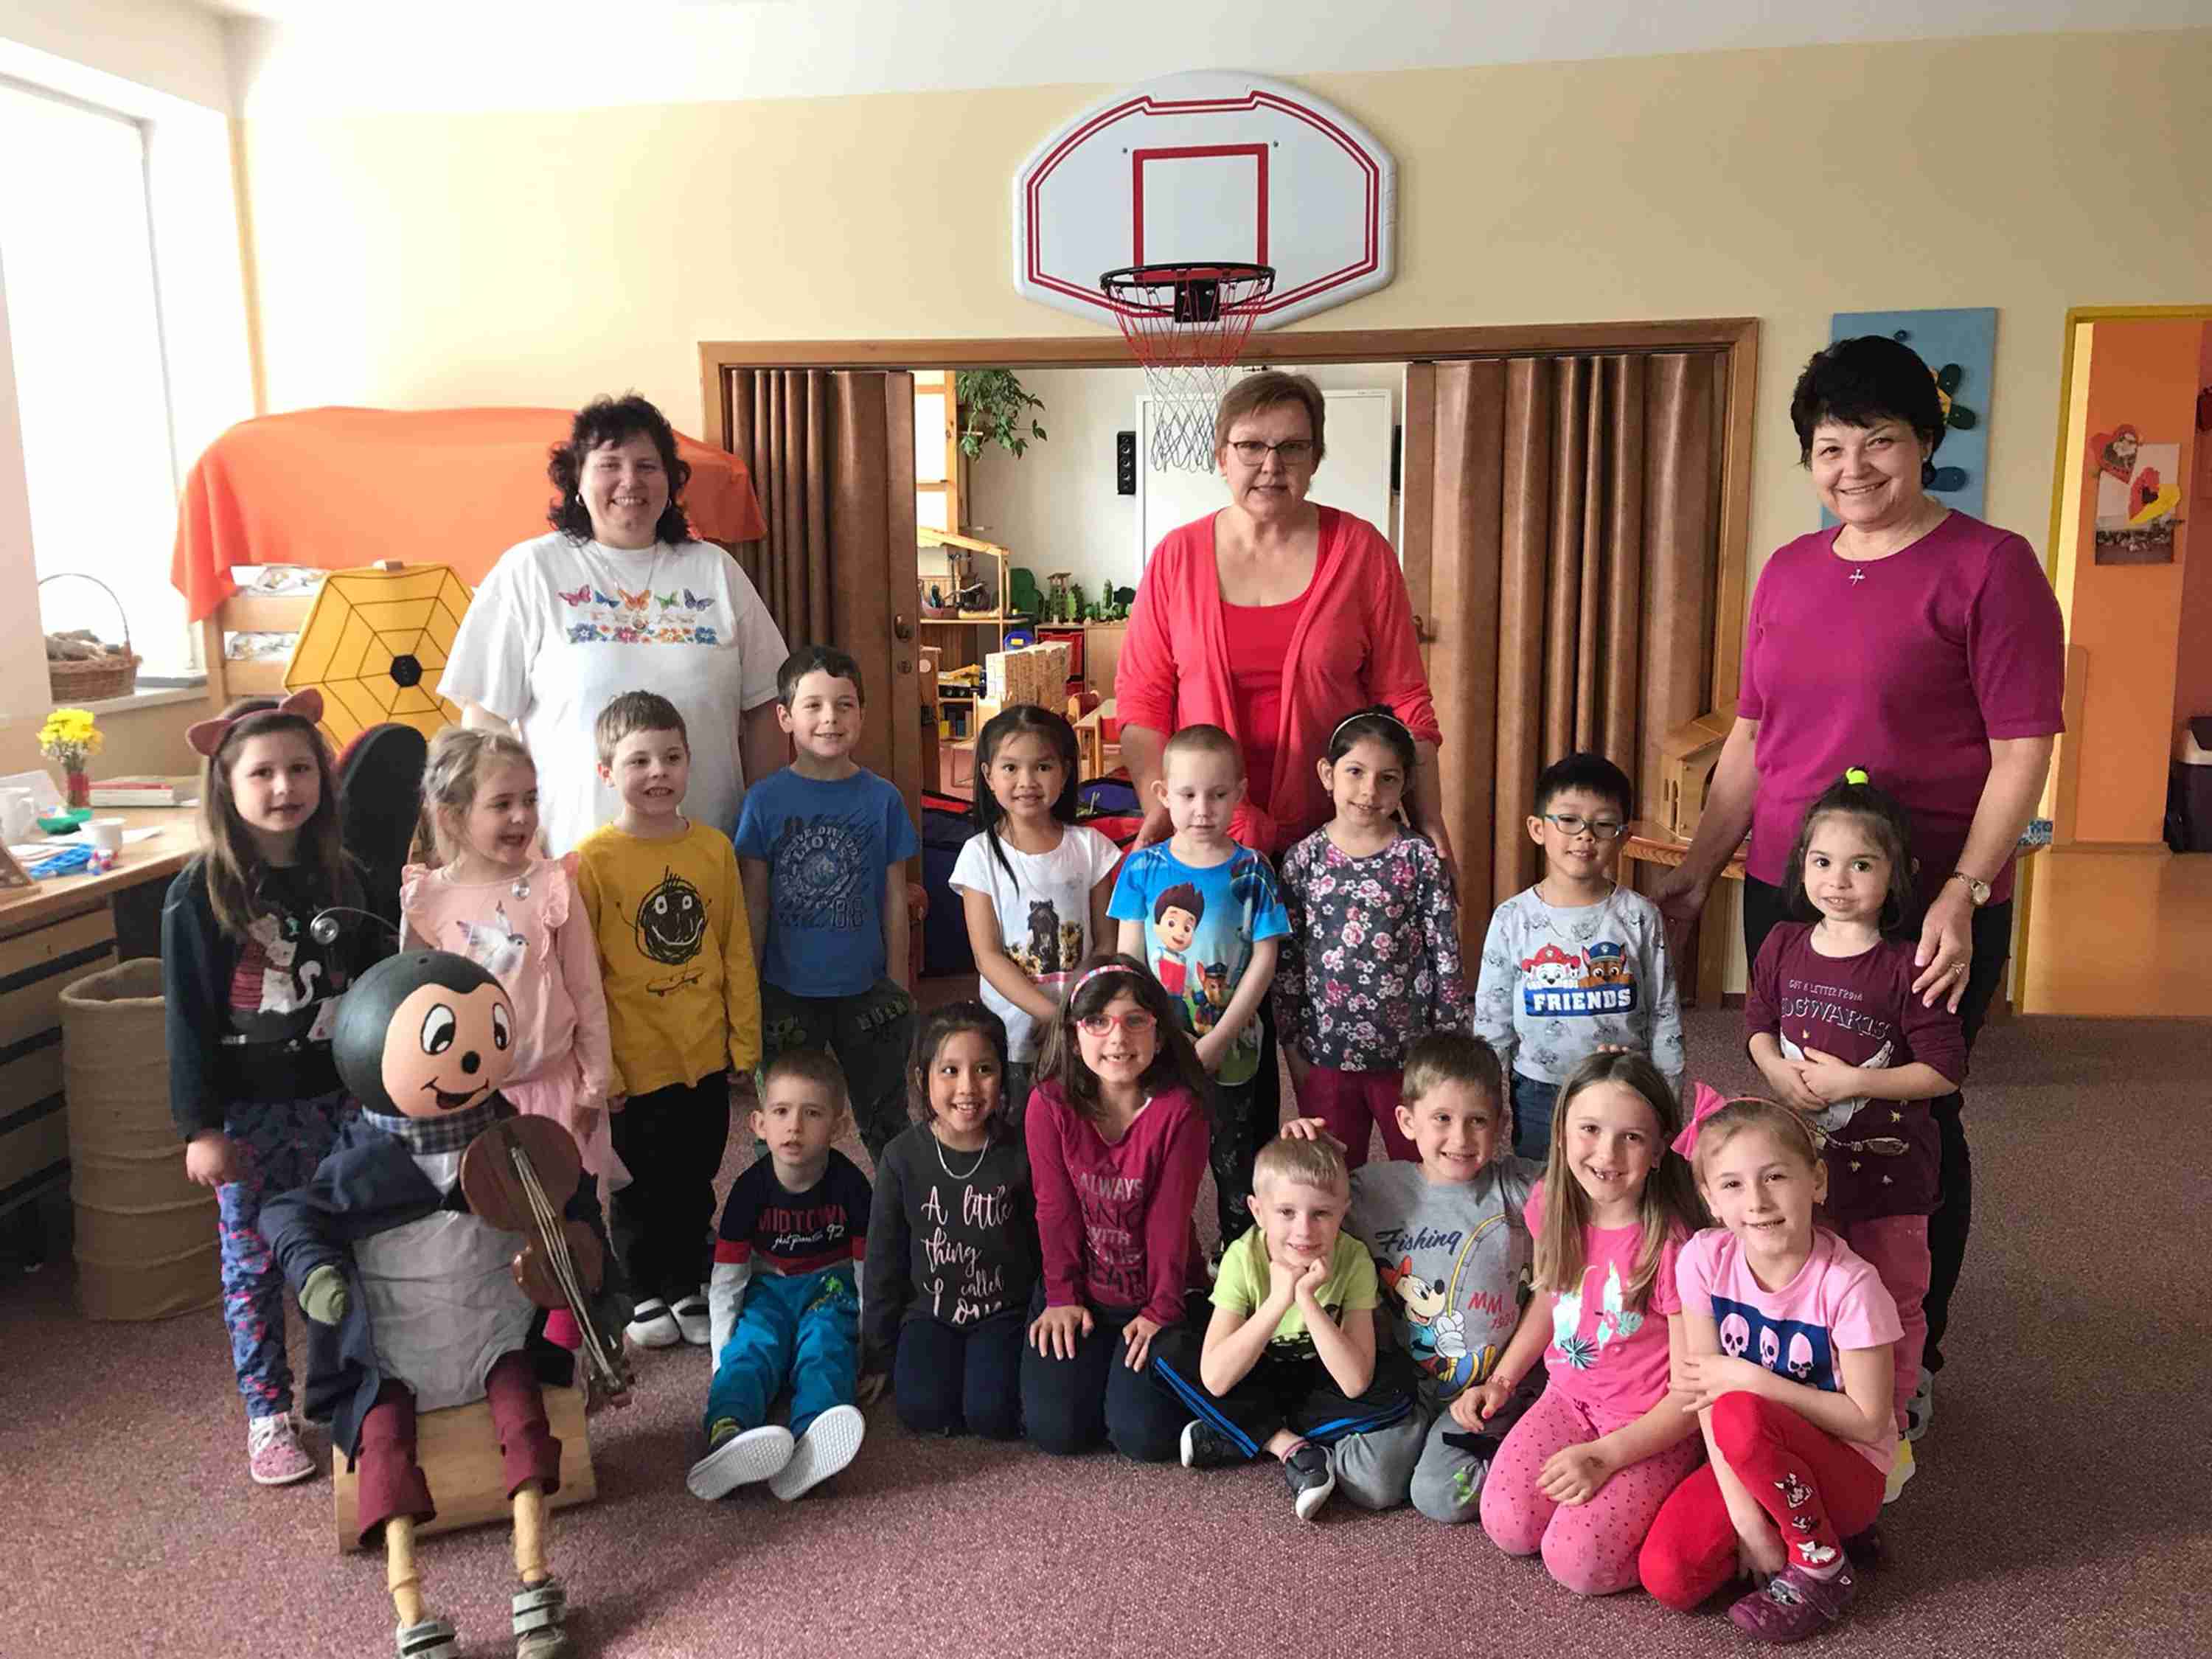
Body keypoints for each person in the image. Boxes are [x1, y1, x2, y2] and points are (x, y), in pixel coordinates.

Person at [1654, 335, 2064, 1433]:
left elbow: (2023, 749)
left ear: (1924, 440)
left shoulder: (1991, 566)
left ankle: (1910, 1349)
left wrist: (1966, 888)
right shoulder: (1790, 570)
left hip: (1927, 899)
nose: (1854, 467)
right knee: (1795, 1106)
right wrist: (1699, 869)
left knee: (1910, 1118)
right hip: (1790, 887)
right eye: (1830, 447)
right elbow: (1754, 737)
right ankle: (1801, 1326)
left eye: (1879, 440)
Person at [1116, 370, 1448, 867]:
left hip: (1340, 841)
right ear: (1221, 457)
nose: (1271, 466)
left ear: (1315, 459)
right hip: (1208, 842)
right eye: (1251, 446)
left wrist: (1430, 820)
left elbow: (1405, 700)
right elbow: (1145, 700)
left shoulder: (1362, 551)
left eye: (1292, 447)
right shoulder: (1176, 557)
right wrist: (1162, 810)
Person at [439, 394, 790, 855]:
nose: (630, 480)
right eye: (609, 464)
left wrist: (757, 841)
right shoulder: (530, 570)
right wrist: (517, 847)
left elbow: (766, 705)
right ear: (577, 480)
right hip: (569, 863)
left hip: (709, 862)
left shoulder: (715, 570)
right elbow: (487, 720)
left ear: (670, 482)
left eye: (647, 466)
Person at [162, 688, 363, 1487]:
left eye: (300, 768)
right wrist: (200, 1128)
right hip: (248, 1117)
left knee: (345, 1246)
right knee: (253, 1265)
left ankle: (345, 1389)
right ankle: (267, 1411)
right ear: (228, 784)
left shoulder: (346, 875)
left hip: (341, 1103)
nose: (285, 787)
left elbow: (372, 987)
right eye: (263, 773)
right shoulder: (200, 893)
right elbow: (185, 1019)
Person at [1747, 772, 1962, 1495]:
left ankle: (1884, 1429)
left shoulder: (1910, 964)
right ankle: (1820, 1414)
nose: (1838, 881)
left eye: (1861, 864)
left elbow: (1943, 1071)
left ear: (1896, 874)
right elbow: (1758, 1025)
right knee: (1809, 1294)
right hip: (1806, 1177)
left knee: (1891, 1302)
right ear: (1801, 864)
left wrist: (1852, 1084)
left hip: (1893, 1182)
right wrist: (1774, 1069)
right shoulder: (1783, 943)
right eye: (1822, 861)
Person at [1641, 1096, 1899, 1643]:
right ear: (1711, 1201)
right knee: (1669, 1576)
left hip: (1847, 1467)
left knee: (1741, 1410)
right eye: (1732, 1185)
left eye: (1775, 1177)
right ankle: (1794, 1533)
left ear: (1817, 1181)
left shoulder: (1851, 1286)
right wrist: (1748, 1524)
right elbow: (1703, 1393)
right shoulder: (1703, 1259)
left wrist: (1756, 1381)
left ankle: (1822, 1566)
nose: (1757, 1201)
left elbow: (1869, 1422)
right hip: (1748, 1451)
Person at [1475, 1052, 1705, 1596]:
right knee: (1507, 1524)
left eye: (1631, 1138)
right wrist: (1503, 1379)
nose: (1606, 1154)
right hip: (1567, 1399)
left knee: (1578, 1563)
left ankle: (1687, 1489)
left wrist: (1606, 1457)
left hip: (1651, 1425)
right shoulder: (1551, 1205)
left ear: (1658, 1150)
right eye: (1590, 1129)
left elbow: (1690, 1394)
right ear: (1560, 1133)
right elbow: (1552, 1300)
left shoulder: (1674, 1247)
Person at [575, 691, 759, 1352]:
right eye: (639, 761)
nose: (658, 772)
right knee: (636, 1182)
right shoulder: (590, 862)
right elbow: (583, 977)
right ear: (607, 772)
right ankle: (641, 1285)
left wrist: (744, 1038)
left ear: (689, 763)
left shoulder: (712, 849)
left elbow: (734, 947)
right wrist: (600, 1069)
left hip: (702, 1051)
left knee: (693, 1175)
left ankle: (686, 1280)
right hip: (633, 1061)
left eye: (672, 758)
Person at [401, 728, 619, 1258]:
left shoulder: (552, 886)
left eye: (530, 799)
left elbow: (586, 989)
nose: (522, 816)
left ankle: (583, 1310)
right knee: (495, 1235)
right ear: (453, 816)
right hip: (470, 1104)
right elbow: (413, 1013)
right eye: (502, 804)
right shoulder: (427, 900)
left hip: (556, 1092)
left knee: (573, 1226)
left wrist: (594, 1085)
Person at [1318, 1031, 1543, 1523]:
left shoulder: (1519, 1186)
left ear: (1500, 1124)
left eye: (1477, 1120)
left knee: (1438, 1495)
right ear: (1407, 1121)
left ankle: (1526, 1451)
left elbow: (1591, 1181)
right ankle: (1423, 1440)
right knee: (1369, 1483)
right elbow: (1295, 1205)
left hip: (1492, 1389)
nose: (1460, 1139)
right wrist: (1306, 1149)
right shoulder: (1371, 1189)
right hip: (1409, 1385)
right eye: (1442, 1118)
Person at [1150, 1134, 1416, 1521]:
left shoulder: (1354, 1258)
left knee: (1400, 1387)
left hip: (1319, 1384)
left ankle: (1239, 1431)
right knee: (1167, 1351)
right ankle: (1288, 1446)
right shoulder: (1242, 1257)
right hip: (1255, 1378)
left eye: (1321, 1213)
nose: (1304, 1231)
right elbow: (1217, 1379)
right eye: (1287, 1212)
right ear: (1258, 1212)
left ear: (1343, 1212)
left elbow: (1355, 1382)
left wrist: (1306, 1299)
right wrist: (1278, 1300)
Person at [1019, 956, 1210, 1462]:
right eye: (1098, 1021)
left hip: (1156, 1291)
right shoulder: (1048, 1103)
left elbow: (1169, 1222)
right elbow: (1054, 1209)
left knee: (1142, 1438)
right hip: (1082, 1285)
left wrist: (1162, 1310)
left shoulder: (1180, 1110)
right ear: (1073, 1035)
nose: (1117, 1038)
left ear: (1160, 1035)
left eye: (1135, 1021)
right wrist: (1061, 1295)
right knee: (1057, 1431)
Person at [734, 645, 919, 1161]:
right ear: (785, 717)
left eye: (844, 704)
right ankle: (783, 1208)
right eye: (813, 705)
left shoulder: (883, 799)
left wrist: (898, 988)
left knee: (885, 1117)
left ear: (862, 713)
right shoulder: (764, 801)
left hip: (869, 992)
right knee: (787, 1124)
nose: (830, 718)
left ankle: (898, 1206)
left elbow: (895, 899)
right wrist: (748, 996)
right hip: (785, 994)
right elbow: (754, 905)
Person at [1109, 723, 1288, 1254]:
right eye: (1188, 795)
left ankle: (1236, 1261)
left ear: (1240, 793)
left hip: (1233, 1048)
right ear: (1164, 794)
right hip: (1158, 1047)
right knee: (1161, 1159)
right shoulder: (1142, 867)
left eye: (1217, 794)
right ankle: (1167, 1263)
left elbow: (1265, 960)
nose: (1203, 809)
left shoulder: (1252, 870)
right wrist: (1163, 1034)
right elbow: (1130, 962)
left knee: (1236, 1162)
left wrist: (1217, 1040)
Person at [1275, 708, 1467, 1169]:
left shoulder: (1418, 857)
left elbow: (1445, 955)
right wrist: (1293, 1047)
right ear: (1328, 775)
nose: (1369, 791)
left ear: (1405, 785)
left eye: (1387, 778)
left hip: (1410, 1057)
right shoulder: (1303, 860)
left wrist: (1448, 1047)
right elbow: (1288, 962)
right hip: (1326, 1053)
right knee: (1334, 1172)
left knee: (1419, 1168)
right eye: (1355, 772)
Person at [1474, 752, 1684, 1163]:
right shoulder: (1511, 918)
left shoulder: (1640, 916)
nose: (1585, 836)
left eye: (1603, 825)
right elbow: (1492, 1019)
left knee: (1619, 1176)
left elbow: (1664, 1012)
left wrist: (1668, 1095)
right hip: (1539, 1087)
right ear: (1538, 829)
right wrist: (1484, 1097)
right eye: (1569, 820)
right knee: (1541, 1182)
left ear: (1623, 837)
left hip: (1623, 1082)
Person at [687, 1049, 871, 1503]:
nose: (794, 1127)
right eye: (782, 1112)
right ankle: (728, 1433)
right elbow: (728, 1277)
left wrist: (869, 1343)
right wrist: (721, 1354)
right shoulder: (749, 1191)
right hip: (768, 1289)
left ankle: (814, 1437)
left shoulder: (852, 1187)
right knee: (752, 1348)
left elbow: (868, 1271)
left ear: (839, 1127)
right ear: (759, 1124)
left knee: (827, 1347)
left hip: (830, 1287)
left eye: (812, 1114)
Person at [860, 1003, 1037, 1440]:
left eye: (984, 1069)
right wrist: (877, 1352)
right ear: (923, 1079)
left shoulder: (1022, 1152)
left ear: (1003, 1076)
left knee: (991, 1415)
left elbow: (1042, 1244)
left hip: (1003, 1313)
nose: (967, 1087)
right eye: (950, 1071)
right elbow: (884, 1259)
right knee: (921, 1409)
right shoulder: (901, 1157)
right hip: (929, 1312)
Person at [950, 705, 1122, 1117]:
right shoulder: (978, 855)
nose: (1027, 781)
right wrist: (1051, 1014)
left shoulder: (1091, 849)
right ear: (988, 775)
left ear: (1065, 772)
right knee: (1017, 1130)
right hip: (1011, 1035)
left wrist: (1074, 1015)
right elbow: (987, 956)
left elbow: (1106, 943)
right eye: (1011, 768)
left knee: (1084, 1123)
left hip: (1084, 1025)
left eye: (1042, 767)